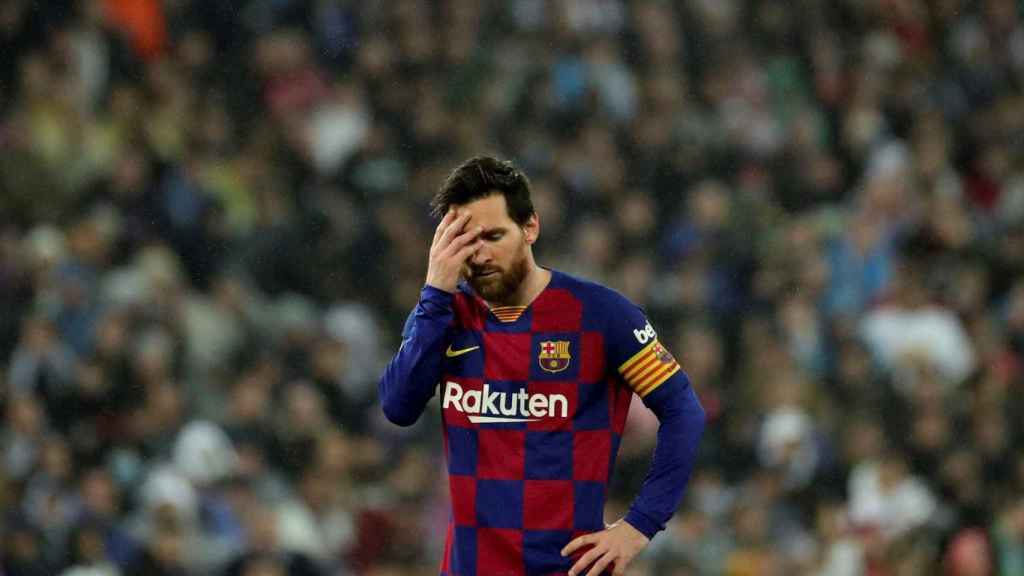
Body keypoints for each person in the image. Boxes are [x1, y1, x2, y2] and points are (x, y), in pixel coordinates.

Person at [379, 155, 705, 576]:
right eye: (463, 240)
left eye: (493, 236)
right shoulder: (442, 315)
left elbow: (684, 411)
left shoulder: (601, 315)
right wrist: (433, 293)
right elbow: (398, 408)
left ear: (530, 227)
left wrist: (639, 525)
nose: (479, 255)